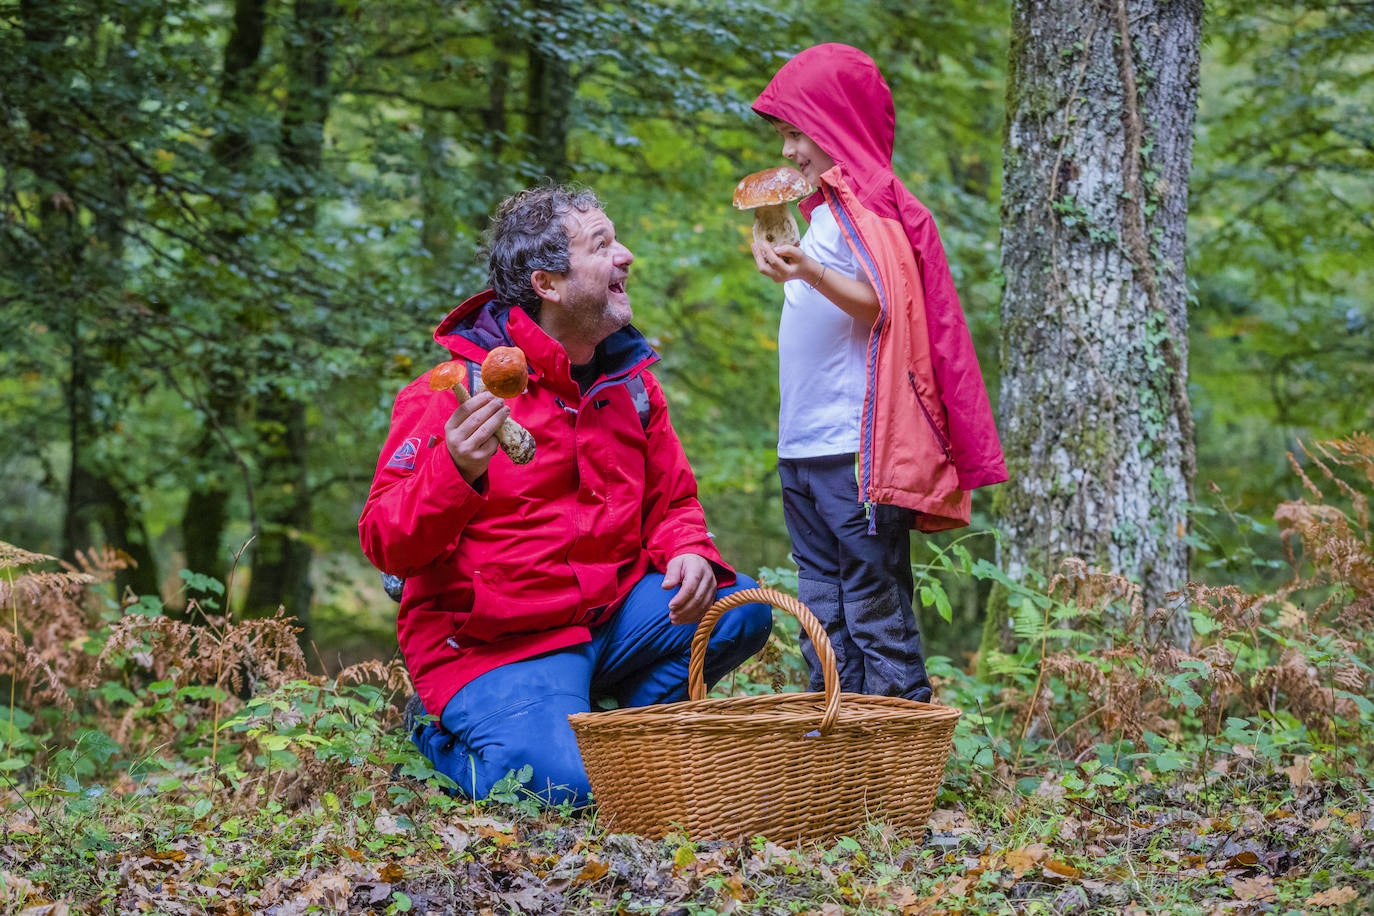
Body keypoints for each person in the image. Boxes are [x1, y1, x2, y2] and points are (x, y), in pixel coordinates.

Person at [359, 185, 772, 807]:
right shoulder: (452, 392)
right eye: (602, 245)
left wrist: (687, 549)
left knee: (739, 607)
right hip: (497, 644)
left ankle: (625, 735)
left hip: (606, 619)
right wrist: (456, 470)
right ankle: (437, 739)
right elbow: (385, 544)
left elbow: (673, 503)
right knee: (566, 792)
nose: (626, 255)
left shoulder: (629, 386)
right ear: (548, 283)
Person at [747, 44, 1007, 702]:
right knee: (821, 611)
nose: (787, 154)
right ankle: (838, 753)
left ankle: (897, 757)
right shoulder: (825, 218)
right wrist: (791, 261)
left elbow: (887, 304)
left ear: (833, 123)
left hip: (853, 448)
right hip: (803, 447)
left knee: (872, 605)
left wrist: (809, 270)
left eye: (794, 135)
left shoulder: (873, 209)